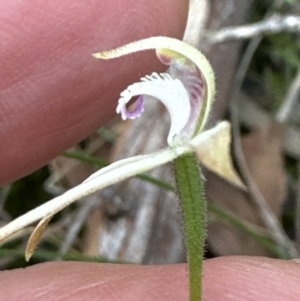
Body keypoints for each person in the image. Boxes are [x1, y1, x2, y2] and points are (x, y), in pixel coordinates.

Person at [0, 1, 299, 300]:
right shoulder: (194, 135)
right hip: (182, 147)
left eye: (180, 63)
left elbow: (217, 142)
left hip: (188, 146)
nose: (170, 62)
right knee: (54, 206)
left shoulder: (213, 134)